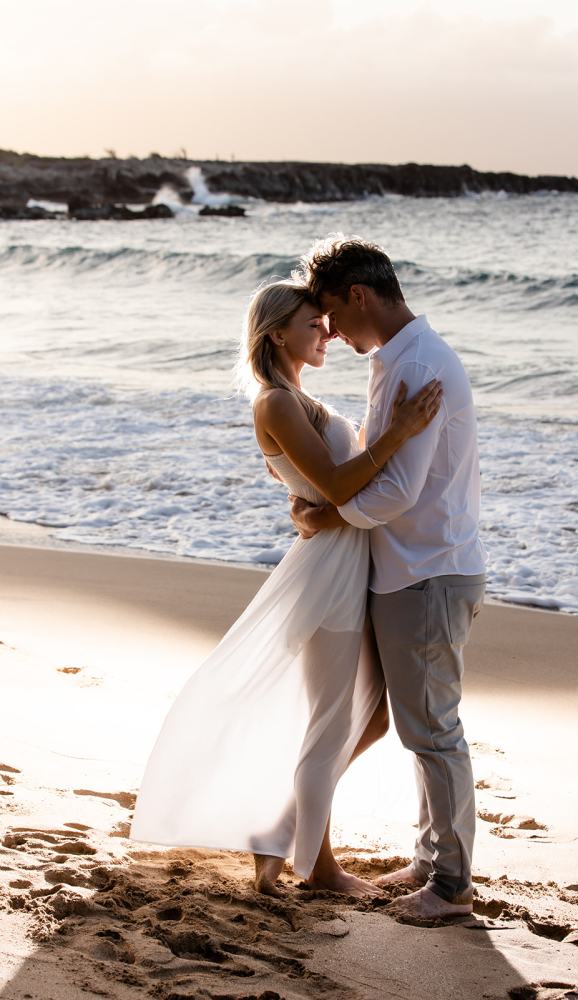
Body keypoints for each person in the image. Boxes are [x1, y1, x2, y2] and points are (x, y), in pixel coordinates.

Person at [130, 279, 442, 898]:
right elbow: (335, 485)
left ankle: (280, 825)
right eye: (312, 324)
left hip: (348, 559)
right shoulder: (274, 401)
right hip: (329, 572)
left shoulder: (298, 396)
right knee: (333, 723)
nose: (327, 332)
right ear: (277, 332)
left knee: (372, 717)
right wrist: (399, 431)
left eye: (326, 323)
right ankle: (319, 867)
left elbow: (327, 493)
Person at [291, 236, 487, 920]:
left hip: (428, 571)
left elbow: (399, 490)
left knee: (434, 732)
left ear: (358, 295)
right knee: (419, 727)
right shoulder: (398, 359)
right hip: (417, 568)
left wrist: (328, 514)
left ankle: (452, 886)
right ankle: (432, 859)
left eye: (333, 316)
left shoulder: (419, 364)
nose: (332, 332)